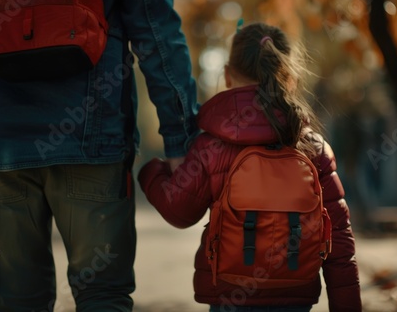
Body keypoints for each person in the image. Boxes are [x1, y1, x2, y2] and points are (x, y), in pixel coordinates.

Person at [0, 0, 199, 311]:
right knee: (102, 293)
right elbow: (157, 32)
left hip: (2, 147)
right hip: (93, 138)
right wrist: (178, 138)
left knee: (12, 297)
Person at [138, 22, 362, 311]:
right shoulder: (313, 148)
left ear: (228, 76)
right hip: (295, 292)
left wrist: (151, 172)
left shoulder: (212, 146)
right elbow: (340, 243)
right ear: (290, 78)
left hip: (229, 293)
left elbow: (178, 210)